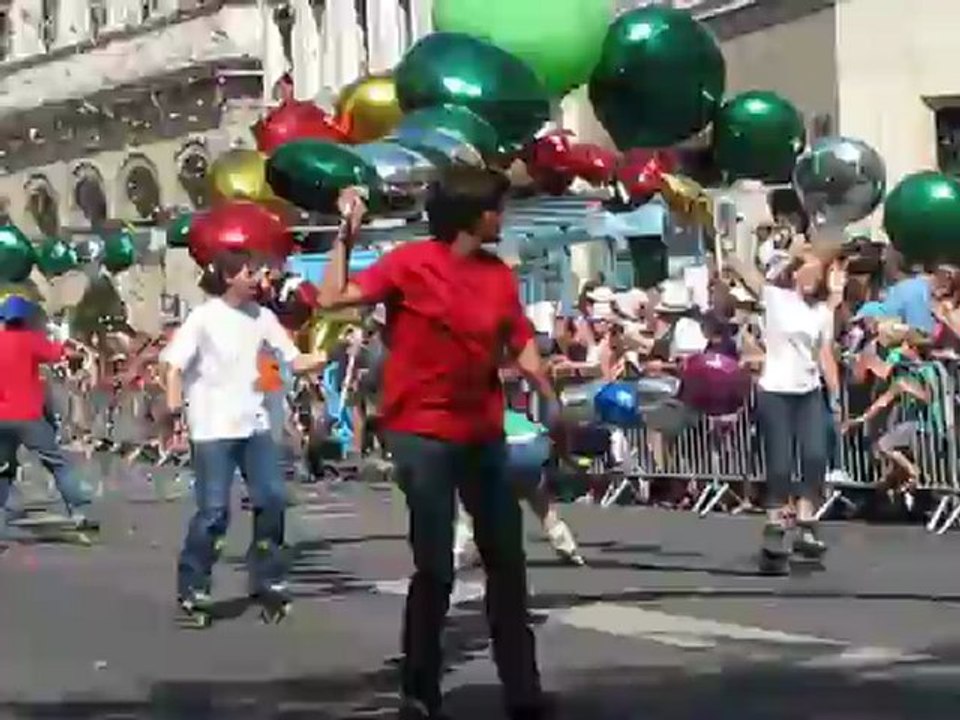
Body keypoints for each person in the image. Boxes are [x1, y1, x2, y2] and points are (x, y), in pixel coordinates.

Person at [318, 167, 558, 720]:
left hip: (480, 431)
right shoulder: (410, 263)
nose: (505, 216)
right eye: (499, 208)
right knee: (436, 567)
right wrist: (345, 235)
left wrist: (552, 399)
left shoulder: (497, 275)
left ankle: (522, 689)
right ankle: (419, 689)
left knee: (507, 559)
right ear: (476, 215)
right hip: (420, 430)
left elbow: (519, 341)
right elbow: (333, 299)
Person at [161, 249, 327, 620]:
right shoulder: (204, 319)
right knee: (214, 513)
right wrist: (174, 410)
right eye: (250, 273)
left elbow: (293, 360)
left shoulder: (263, 318)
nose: (257, 280)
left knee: (272, 500)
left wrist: (320, 355)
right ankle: (194, 584)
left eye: (259, 273)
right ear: (230, 277)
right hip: (213, 429)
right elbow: (172, 366)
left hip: (255, 426)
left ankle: (267, 578)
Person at [755, 251, 844, 573]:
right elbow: (741, 270)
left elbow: (825, 355)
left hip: (808, 392)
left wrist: (836, 398)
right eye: (807, 272)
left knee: (815, 456)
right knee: (780, 465)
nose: (811, 280)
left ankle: (806, 520)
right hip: (775, 390)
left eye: (816, 275)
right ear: (793, 274)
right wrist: (714, 233)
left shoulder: (822, 312)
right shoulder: (775, 299)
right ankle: (775, 527)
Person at [0, 295, 94, 536]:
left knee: (4, 467)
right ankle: (79, 511)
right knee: (57, 463)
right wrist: (78, 352)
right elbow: (60, 354)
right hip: (28, 415)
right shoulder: (31, 340)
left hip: (1, 417)